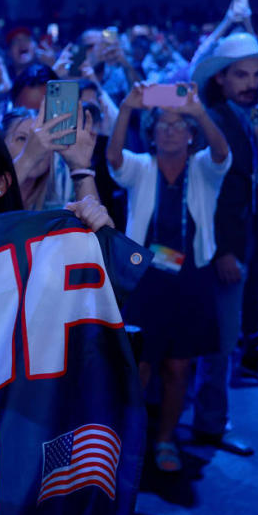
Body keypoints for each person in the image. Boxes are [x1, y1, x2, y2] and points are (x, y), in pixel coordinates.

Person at [107, 81, 233, 472]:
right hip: (146, 277)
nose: (169, 131)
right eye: (162, 124)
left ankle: (164, 440)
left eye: (179, 125)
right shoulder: (142, 167)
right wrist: (127, 108)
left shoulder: (201, 169)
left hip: (191, 277)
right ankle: (128, 442)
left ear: (191, 134)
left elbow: (223, 154)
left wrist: (198, 111)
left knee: (178, 367)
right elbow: (113, 162)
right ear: (152, 133)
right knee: (140, 365)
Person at [189, 31, 258, 456]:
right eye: (241, 75)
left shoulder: (238, 114)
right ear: (220, 78)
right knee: (219, 342)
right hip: (221, 249)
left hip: (241, 243)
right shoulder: (214, 120)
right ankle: (209, 424)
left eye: (256, 74)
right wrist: (222, 250)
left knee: (224, 339)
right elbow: (203, 192)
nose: (251, 82)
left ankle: (207, 420)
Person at [1, 100, 101, 211]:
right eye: (22, 138)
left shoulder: (60, 202)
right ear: (1, 145)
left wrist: (80, 168)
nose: (37, 147)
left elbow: (96, 227)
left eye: (44, 140)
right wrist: (27, 158)